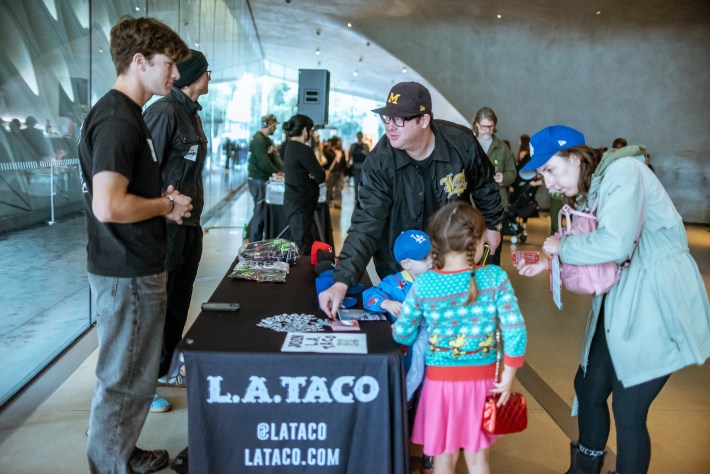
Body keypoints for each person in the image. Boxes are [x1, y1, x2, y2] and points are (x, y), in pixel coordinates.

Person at [516, 125, 710, 474]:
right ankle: (584, 468)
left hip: (657, 296)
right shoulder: (594, 186)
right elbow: (594, 246)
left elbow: (615, 243)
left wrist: (563, 248)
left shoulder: (624, 172)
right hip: (621, 295)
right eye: (542, 174)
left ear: (574, 157)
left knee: (628, 406)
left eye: (550, 169)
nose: (548, 182)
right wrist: (551, 261)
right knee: (589, 386)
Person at [78, 16, 191, 474]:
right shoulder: (117, 121)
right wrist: (164, 208)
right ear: (139, 61)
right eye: (170, 64)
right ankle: (109, 464)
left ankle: (122, 451)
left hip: (131, 265)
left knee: (135, 376)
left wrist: (161, 199)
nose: (176, 75)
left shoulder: (127, 116)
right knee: (124, 380)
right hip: (126, 271)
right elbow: (109, 205)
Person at [318, 81, 504, 318]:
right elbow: (366, 223)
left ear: (424, 120)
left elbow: (484, 184)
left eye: (399, 120)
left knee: (453, 324)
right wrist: (341, 282)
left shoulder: (461, 142)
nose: (390, 127)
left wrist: (493, 224)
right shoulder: (380, 162)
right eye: (386, 119)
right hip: (403, 262)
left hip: (451, 252)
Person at [393, 201, 527, 474]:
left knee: (444, 457)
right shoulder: (495, 277)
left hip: (440, 384)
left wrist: (402, 331)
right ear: (477, 243)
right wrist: (509, 376)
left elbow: (403, 333)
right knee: (479, 459)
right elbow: (515, 329)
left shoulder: (424, 284)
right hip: (483, 381)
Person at [143, 49, 211, 411]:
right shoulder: (163, 111)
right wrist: (163, 207)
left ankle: (166, 366)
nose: (210, 78)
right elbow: (146, 171)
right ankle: (143, 380)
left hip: (189, 223)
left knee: (178, 299)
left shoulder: (191, 115)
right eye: (206, 72)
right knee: (158, 302)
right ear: (192, 76)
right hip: (166, 224)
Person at [472, 107, 516, 265]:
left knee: (493, 249)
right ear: (476, 124)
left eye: (490, 126)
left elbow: (513, 172)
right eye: (483, 126)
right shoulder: (469, 143)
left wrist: (503, 177)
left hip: (498, 205)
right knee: (472, 247)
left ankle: (492, 284)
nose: (487, 130)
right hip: (472, 205)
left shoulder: (502, 147)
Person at [281, 114, 325, 254]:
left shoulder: (288, 146)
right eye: (311, 130)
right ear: (305, 130)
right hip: (301, 204)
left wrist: (310, 173)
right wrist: (312, 173)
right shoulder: (303, 149)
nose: (311, 134)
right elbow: (320, 176)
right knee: (302, 245)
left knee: (299, 241)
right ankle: (299, 275)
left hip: (293, 202)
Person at [247, 113, 282, 242]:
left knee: (261, 212)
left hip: (262, 181)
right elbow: (263, 162)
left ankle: (254, 239)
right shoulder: (258, 140)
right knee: (260, 213)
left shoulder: (267, 140)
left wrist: (282, 170)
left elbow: (275, 159)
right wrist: (277, 172)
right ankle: (253, 245)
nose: (275, 128)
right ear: (267, 125)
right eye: (274, 126)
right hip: (258, 181)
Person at [325, 135, 346, 208]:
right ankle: (327, 202)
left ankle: (338, 203)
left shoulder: (341, 151)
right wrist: (335, 153)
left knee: (339, 188)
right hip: (332, 171)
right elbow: (328, 160)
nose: (339, 144)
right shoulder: (329, 150)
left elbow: (343, 162)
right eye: (338, 142)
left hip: (340, 171)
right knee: (329, 188)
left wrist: (345, 172)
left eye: (340, 142)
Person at [348, 131, 370, 199]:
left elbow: (369, 155)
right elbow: (350, 154)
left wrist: (365, 153)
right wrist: (348, 162)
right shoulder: (353, 145)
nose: (359, 137)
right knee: (355, 182)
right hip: (355, 165)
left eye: (360, 136)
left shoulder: (365, 146)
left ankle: (360, 196)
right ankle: (356, 196)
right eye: (358, 136)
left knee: (361, 182)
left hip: (362, 165)